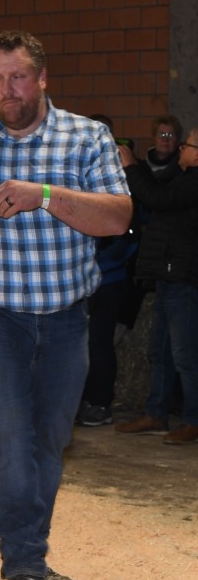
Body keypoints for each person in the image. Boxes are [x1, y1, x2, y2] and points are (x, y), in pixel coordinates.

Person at [0, 29, 131, 580]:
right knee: (8, 438)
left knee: (50, 439)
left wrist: (43, 194)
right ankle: (22, 562)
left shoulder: (86, 136)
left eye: (17, 77)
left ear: (42, 78)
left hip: (66, 316)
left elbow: (117, 218)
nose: (6, 90)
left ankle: (32, 553)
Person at [114, 125, 198, 445]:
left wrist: (131, 167)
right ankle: (156, 413)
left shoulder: (193, 182)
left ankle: (193, 420)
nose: (181, 149)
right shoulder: (181, 176)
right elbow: (156, 187)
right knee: (159, 351)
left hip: (183, 277)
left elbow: (156, 198)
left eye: (187, 146)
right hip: (168, 275)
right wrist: (137, 165)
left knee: (185, 355)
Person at [76, 115, 142, 427]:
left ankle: (100, 403)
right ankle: (77, 400)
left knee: (98, 342)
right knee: (76, 343)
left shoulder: (122, 179)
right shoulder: (79, 173)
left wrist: (97, 265)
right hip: (77, 279)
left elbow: (129, 236)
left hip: (107, 279)